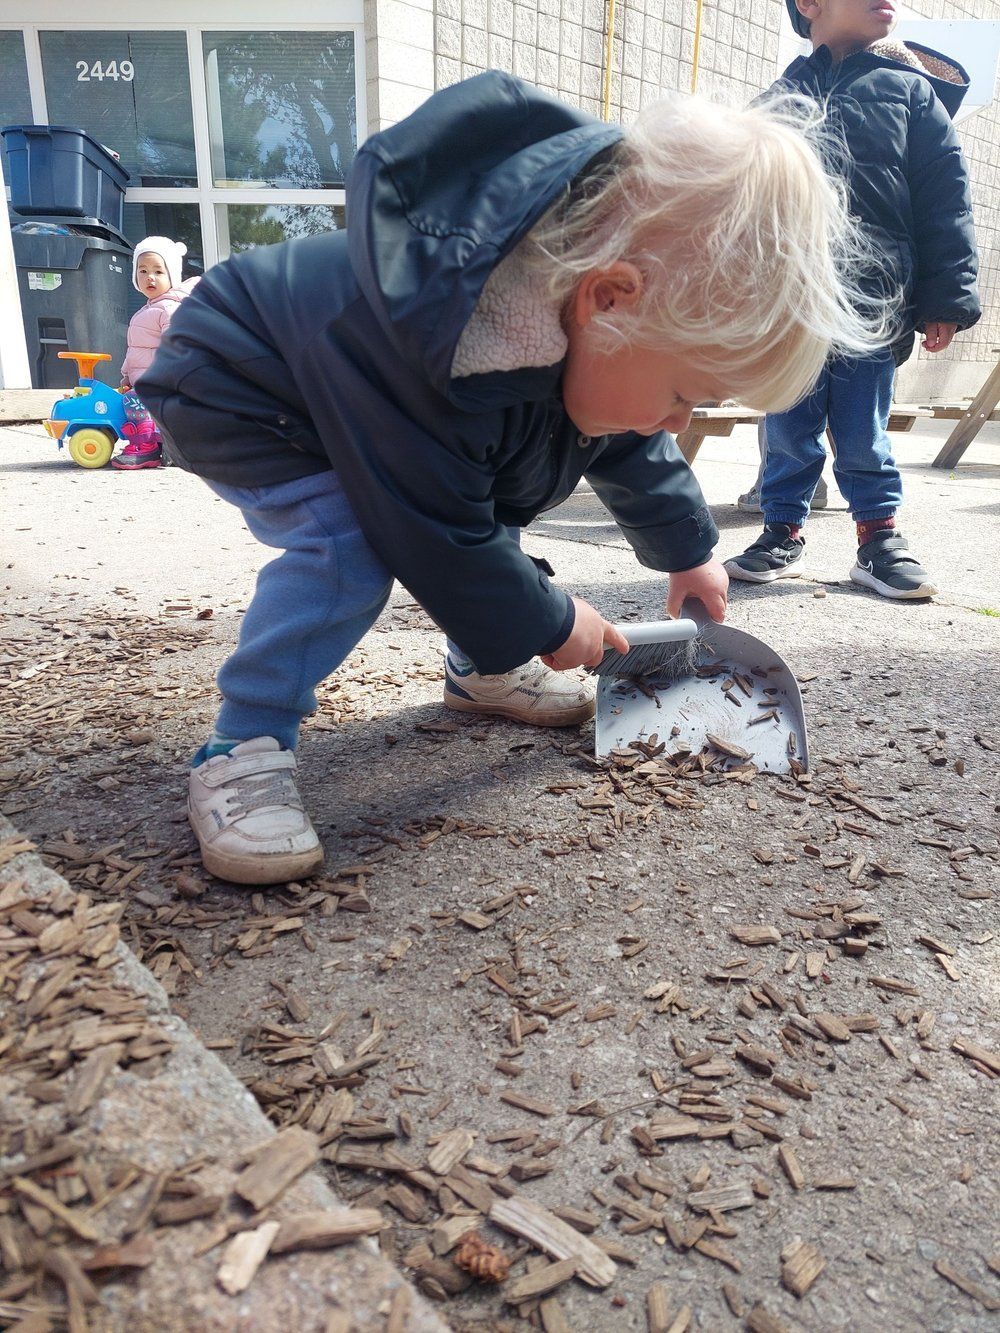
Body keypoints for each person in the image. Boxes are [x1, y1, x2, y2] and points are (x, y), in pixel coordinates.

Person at [141, 71, 884, 886]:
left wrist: (687, 548)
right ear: (609, 298)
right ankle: (244, 741)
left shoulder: (574, 319)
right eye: (684, 395)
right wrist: (550, 616)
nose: (678, 421)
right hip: (240, 386)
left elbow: (627, 442)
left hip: (377, 398)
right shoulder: (444, 346)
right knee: (350, 544)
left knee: (522, 461)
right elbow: (435, 530)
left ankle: (481, 668)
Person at [725, 0, 980, 598]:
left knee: (864, 429)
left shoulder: (912, 93)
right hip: (791, 301)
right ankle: (780, 529)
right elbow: (742, 199)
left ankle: (878, 539)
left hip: (873, 297)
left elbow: (945, 197)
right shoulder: (781, 95)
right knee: (788, 425)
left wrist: (943, 299)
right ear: (810, 4)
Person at [112, 237, 198, 470]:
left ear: (172, 275)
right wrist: (127, 374)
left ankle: (146, 447)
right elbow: (136, 351)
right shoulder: (146, 310)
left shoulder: (169, 308)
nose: (150, 276)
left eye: (158, 271)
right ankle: (163, 444)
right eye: (143, 271)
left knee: (134, 402)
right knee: (128, 398)